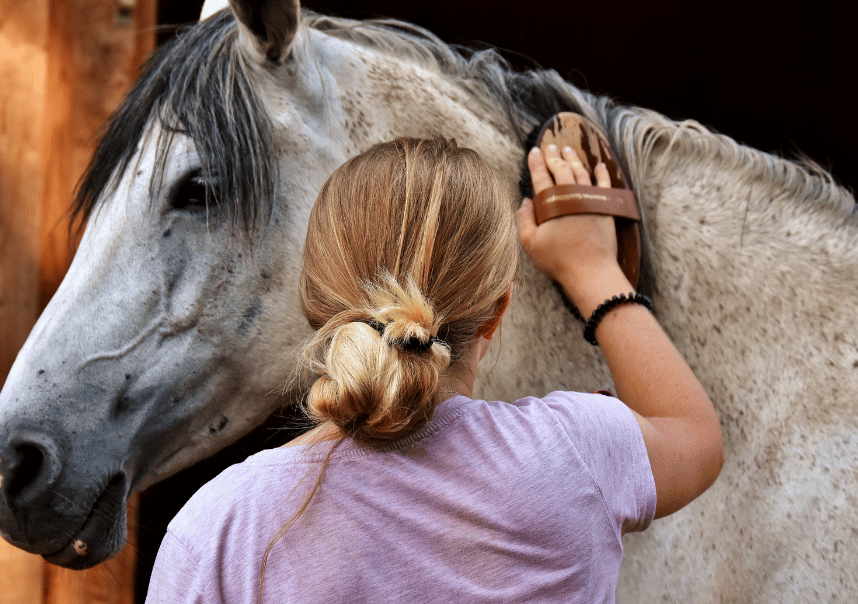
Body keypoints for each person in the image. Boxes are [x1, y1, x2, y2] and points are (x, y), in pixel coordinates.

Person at [146, 136, 724, 603]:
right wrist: (593, 268)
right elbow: (693, 435)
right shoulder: (574, 453)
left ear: (314, 306)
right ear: (498, 312)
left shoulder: (219, 531)